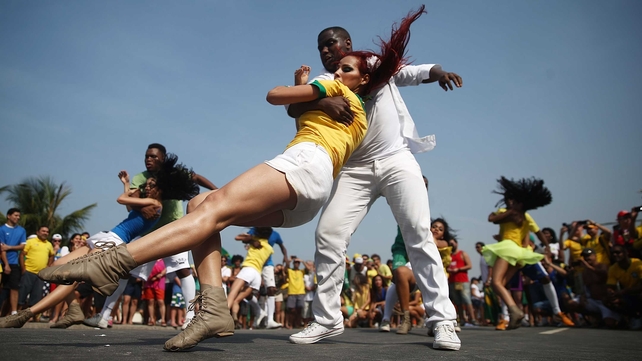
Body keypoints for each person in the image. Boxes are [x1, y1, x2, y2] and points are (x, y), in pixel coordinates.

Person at [39, 5, 419, 352]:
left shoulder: (333, 86)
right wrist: (311, 94)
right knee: (201, 205)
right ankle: (214, 308)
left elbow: (275, 96)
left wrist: (308, 87)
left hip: (302, 162)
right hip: (311, 194)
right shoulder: (358, 112)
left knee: (212, 206)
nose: (336, 70)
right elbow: (296, 107)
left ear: (360, 77)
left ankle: (112, 263)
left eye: (346, 68)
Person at [286, 13, 462, 351]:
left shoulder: (374, 64)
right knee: (329, 233)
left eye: (330, 43)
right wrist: (323, 100)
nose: (325, 51)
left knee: (418, 233)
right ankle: (326, 319)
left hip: (396, 160)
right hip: (354, 170)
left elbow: (412, 73)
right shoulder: (328, 79)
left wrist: (439, 72)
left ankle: (442, 321)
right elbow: (294, 106)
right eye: (320, 47)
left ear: (347, 45)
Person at [0, 155, 198, 328]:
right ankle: (75, 309)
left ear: (161, 190)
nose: (147, 186)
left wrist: (126, 190)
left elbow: (122, 200)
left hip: (112, 242)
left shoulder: (155, 204)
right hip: (105, 237)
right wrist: (126, 183)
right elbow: (129, 206)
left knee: (71, 278)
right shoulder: (147, 204)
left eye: (151, 185)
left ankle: (26, 314)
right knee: (56, 269)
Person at [83, 143, 218, 330]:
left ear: (163, 158)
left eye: (154, 157)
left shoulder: (172, 174)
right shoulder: (140, 178)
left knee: (182, 270)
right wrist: (142, 203)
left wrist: (217, 192)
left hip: (174, 228)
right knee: (124, 270)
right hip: (148, 233)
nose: (149, 159)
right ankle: (104, 316)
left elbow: (196, 178)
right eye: (147, 156)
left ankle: (190, 317)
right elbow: (131, 203)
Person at [482, 176, 552, 330]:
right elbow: (538, 232)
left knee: (496, 282)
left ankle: (514, 312)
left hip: (507, 248)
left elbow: (492, 219)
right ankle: (513, 315)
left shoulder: (512, 213)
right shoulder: (525, 215)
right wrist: (547, 247)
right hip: (519, 253)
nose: (509, 202)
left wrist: (511, 210)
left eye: (512, 200)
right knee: (501, 284)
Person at [380, 217, 453, 336]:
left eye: (440, 229)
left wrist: (423, 230)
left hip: (434, 279)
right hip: (414, 273)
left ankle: (439, 322)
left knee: (436, 290)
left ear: (443, 234)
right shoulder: (416, 240)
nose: (436, 229)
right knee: (399, 273)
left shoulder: (443, 243)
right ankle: (402, 319)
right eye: (434, 226)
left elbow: (434, 241)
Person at [235, 226, 288, 329]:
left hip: (267, 263)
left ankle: (270, 320)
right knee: (247, 292)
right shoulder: (255, 230)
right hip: (254, 263)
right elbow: (240, 237)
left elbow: (282, 246)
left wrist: (285, 256)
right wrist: (252, 240)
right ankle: (260, 311)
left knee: (271, 289)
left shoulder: (275, 234)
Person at [226, 227, 274, 329]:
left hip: (248, 269)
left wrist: (251, 239)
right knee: (237, 300)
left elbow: (237, 237)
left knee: (232, 293)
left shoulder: (254, 239)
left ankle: (222, 316)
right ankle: (235, 317)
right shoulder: (270, 248)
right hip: (257, 274)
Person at [18, 226, 54, 314]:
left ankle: (30, 316)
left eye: (47, 231)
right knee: (22, 294)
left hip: (40, 275)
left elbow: (51, 255)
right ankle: (17, 312)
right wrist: (23, 269)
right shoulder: (30, 242)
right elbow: (22, 255)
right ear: (38, 232)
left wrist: (48, 266)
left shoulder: (49, 244)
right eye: (43, 231)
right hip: (28, 272)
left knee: (36, 296)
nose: (45, 233)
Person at [0, 208, 27, 316]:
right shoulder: (2, 229)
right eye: (15, 215)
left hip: (14, 263)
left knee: (14, 287)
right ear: (9, 216)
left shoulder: (21, 230)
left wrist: (10, 247)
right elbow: (2, 249)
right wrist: (6, 264)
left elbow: (22, 245)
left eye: (19, 216)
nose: (17, 217)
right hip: (2, 263)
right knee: (2, 289)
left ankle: (14, 312)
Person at [447, 238, 476, 326]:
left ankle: (473, 319)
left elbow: (469, 265)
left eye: (453, 243)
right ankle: (462, 319)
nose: (452, 245)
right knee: (457, 301)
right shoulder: (448, 256)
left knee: (467, 300)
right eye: (450, 244)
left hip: (463, 281)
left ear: (456, 243)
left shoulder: (462, 254)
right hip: (452, 281)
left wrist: (458, 269)